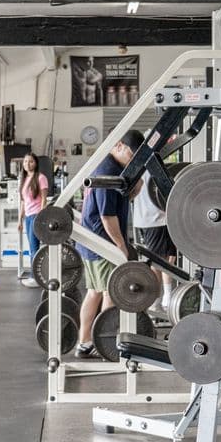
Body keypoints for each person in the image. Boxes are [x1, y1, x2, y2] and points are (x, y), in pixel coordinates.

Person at [74, 130, 143, 357]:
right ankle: (104, 344)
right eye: (132, 156)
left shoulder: (113, 167)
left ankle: (85, 343)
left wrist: (135, 188)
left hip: (94, 244)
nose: (132, 162)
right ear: (120, 146)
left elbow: (119, 201)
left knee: (94, 292)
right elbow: (107, 216)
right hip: (101, 244)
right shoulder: (107, 171)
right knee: (109, 293)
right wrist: (121, 246)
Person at [129, 156, 177, 307]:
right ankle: (160, 299)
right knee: (163, 260)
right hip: (156, 219)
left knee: (161, 258)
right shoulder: (153, 167)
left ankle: (159, 298)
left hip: (147, 220)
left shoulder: (135, 166)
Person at [17, 152, 49, 288]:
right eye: (25, 162)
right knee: (32, 248)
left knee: (34, 248)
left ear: (35, 163)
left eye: (30, 161)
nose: (27, 164)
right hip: (28, 217)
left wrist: (40, 218)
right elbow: (23, 202)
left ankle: (35, 277)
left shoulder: (41, 178)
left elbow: (44, 200)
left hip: (36, 216)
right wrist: (20, 220)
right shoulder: (24, 180)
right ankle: (36, 275)